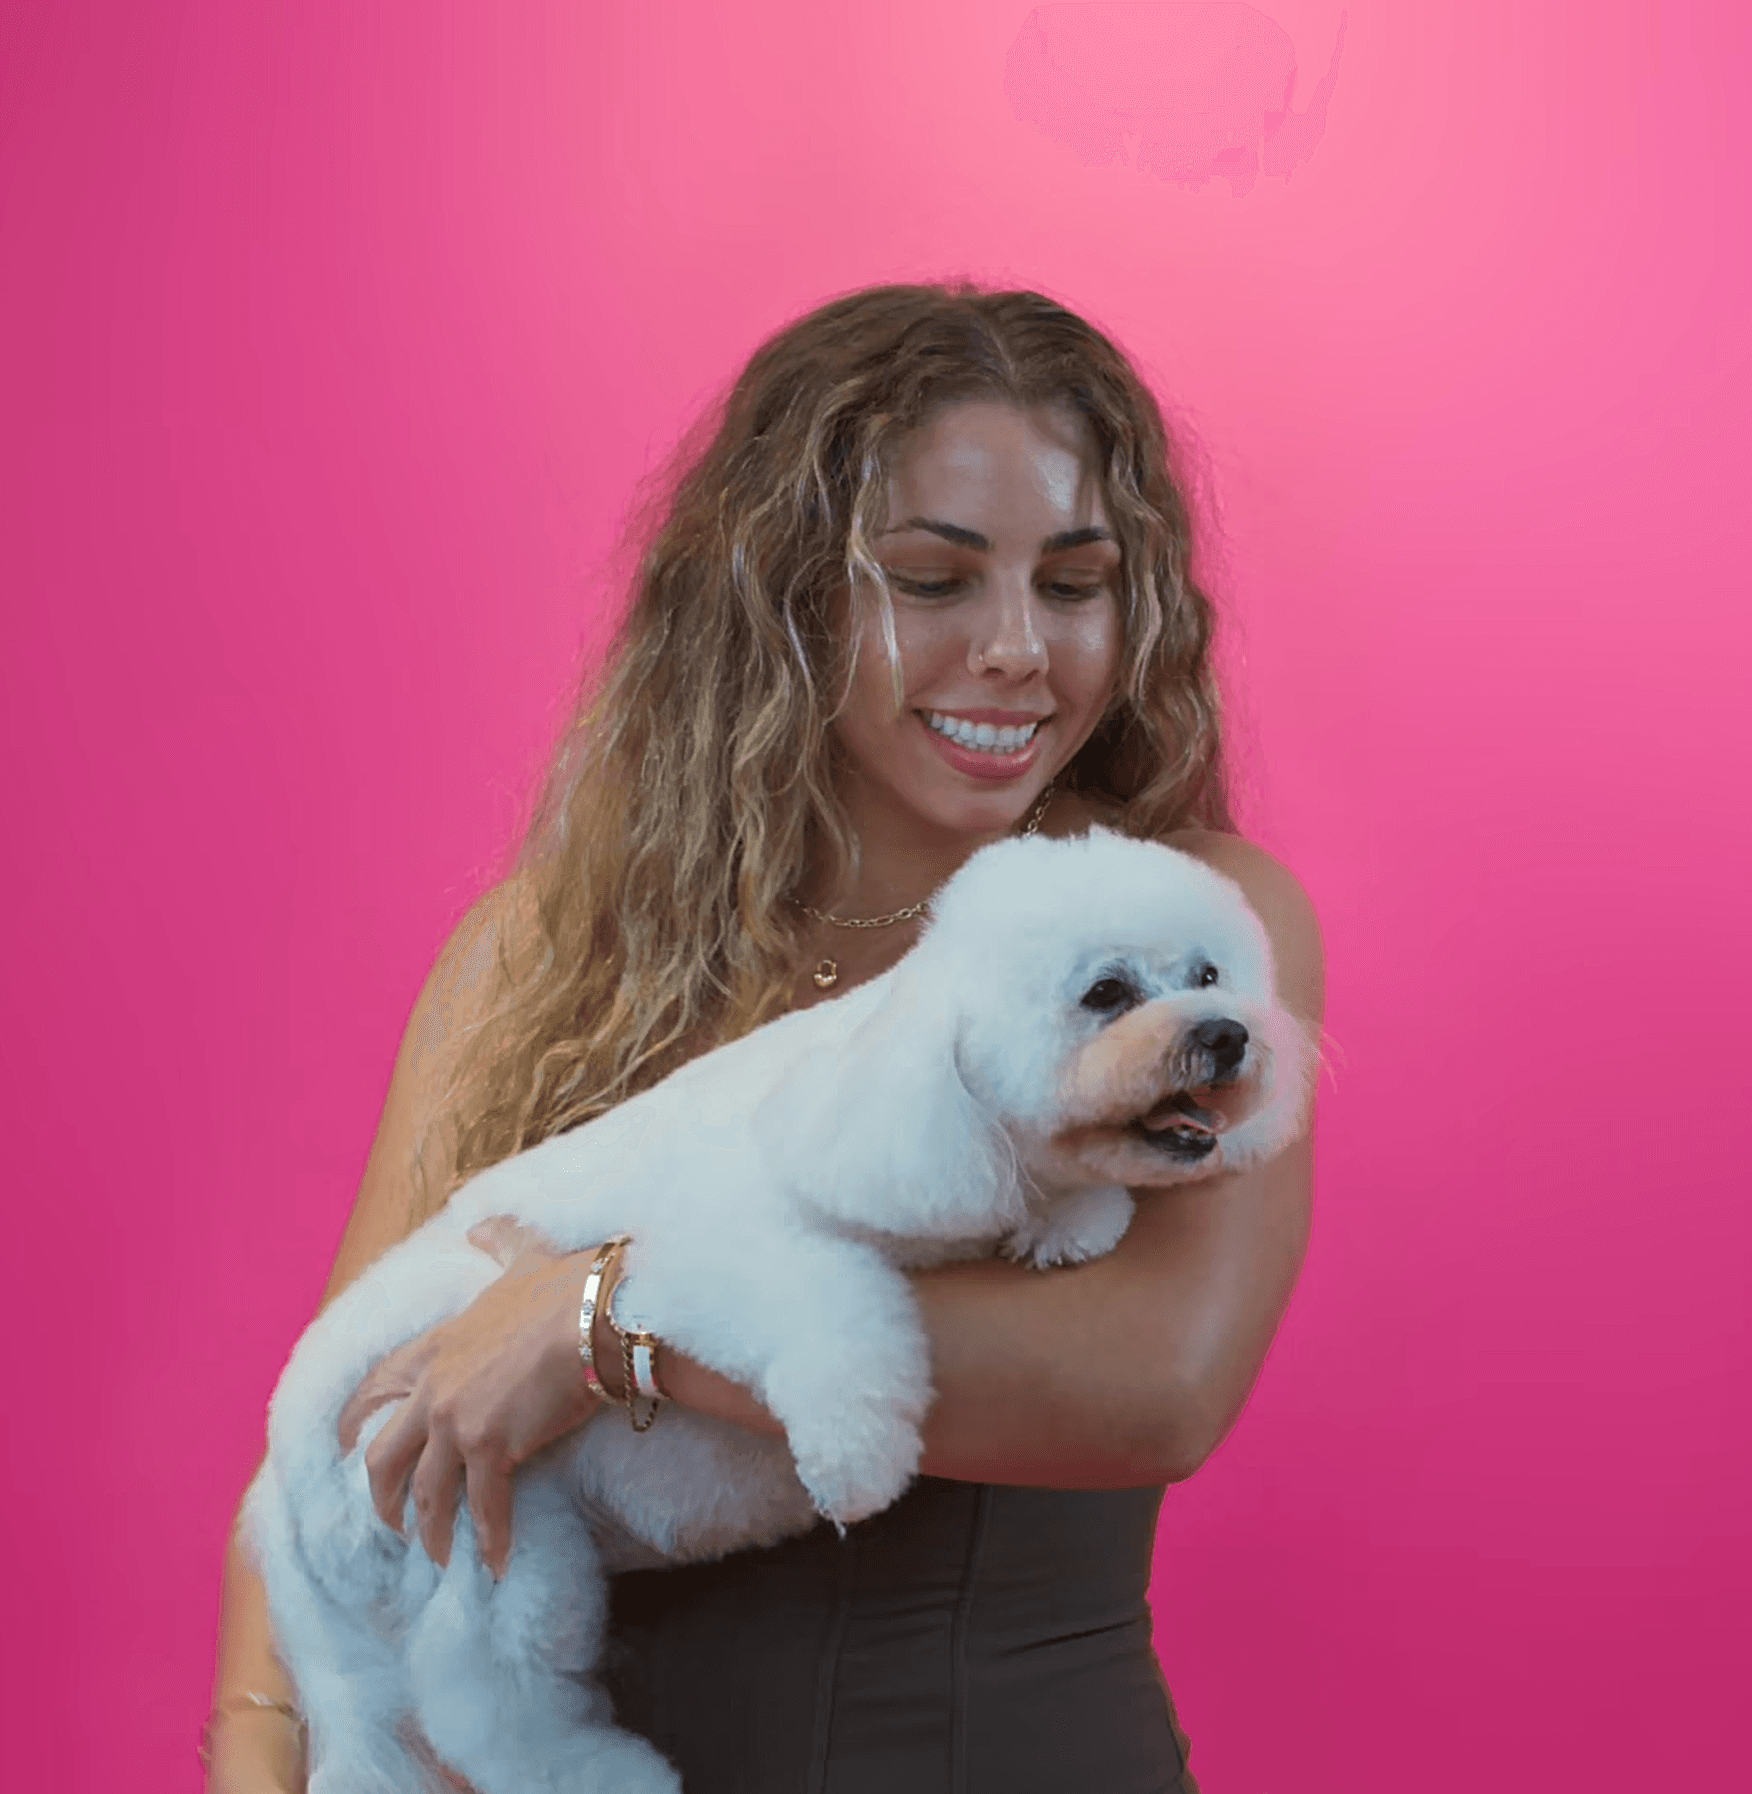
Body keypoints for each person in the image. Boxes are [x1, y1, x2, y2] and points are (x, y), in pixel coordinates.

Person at [205, 283, 1324, 1793]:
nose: (1015, 650)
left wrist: (598, 1325)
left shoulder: (1181, 930)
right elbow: (337, 1440)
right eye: (932, 579)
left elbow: (1158, 1381)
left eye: (1073, 583)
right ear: (786, 593)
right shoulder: (541, 953)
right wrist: (264, 1750)